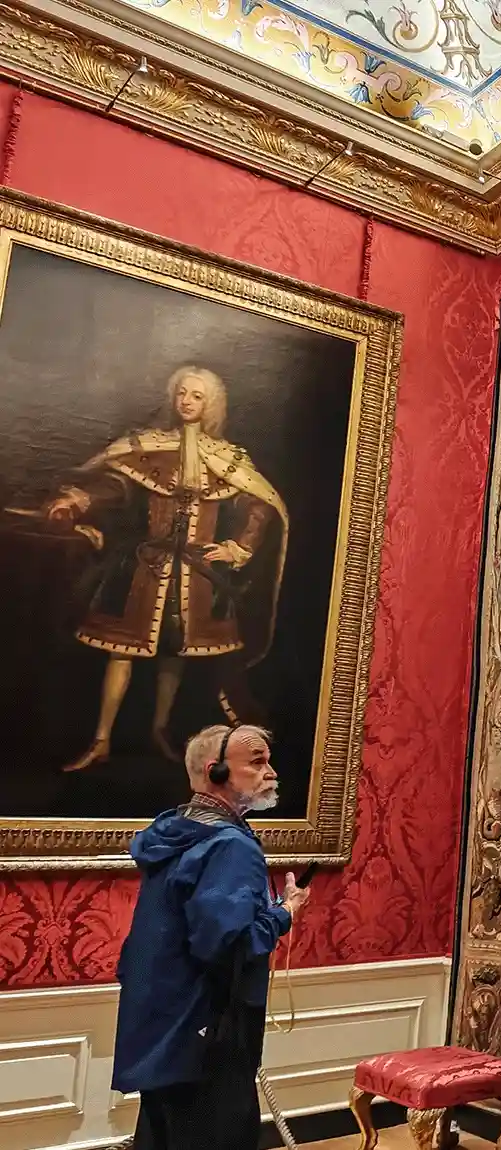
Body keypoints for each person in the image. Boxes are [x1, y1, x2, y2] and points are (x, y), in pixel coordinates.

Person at [42, 366, 288, 771]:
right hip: (143, 569)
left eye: (197, 396)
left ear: (211, 405)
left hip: (196, 575)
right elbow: (116, 484)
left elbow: (256, 506)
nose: (187, 402)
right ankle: (101, 739)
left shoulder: (230, 458)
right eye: (182, 394)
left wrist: (237, 548)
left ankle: (159, 730)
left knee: (173, 654)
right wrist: (77, 502)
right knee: (120, 652)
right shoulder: (150, 446)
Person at [112, 723, 309, 1150]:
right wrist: (284, 912)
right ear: (215, 770)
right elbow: (228, 943)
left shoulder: (172, 830)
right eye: (256, 761)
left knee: (164, 1134)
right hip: (209, 1028)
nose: (271, 771)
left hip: (163, 1023)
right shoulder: (231, 846)